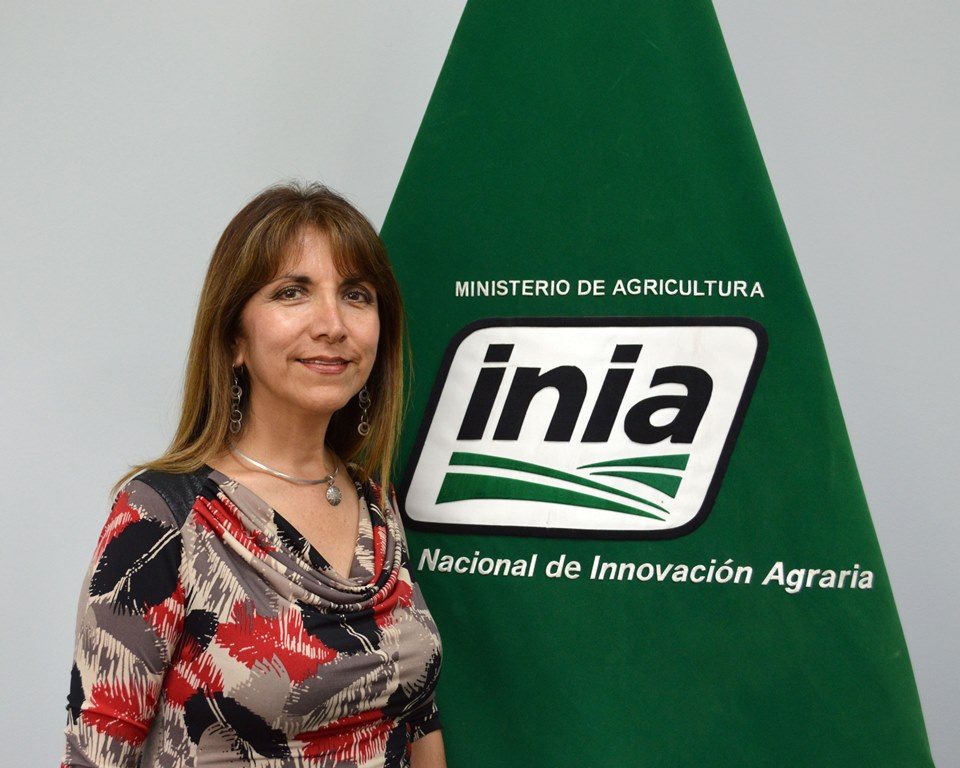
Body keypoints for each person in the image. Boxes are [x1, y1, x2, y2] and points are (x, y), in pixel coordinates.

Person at [61, 182, 447, 767]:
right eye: (292, 292)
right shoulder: (164, 516)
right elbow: (95, 755)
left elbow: (418, 718)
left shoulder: (375, 503)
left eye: (356, 295)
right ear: (234, 339)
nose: (333, 323)